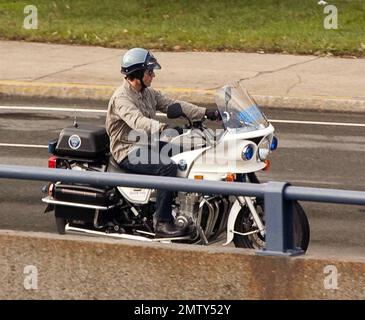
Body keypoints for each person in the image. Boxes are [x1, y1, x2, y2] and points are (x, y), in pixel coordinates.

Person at [105, 48, 220, 238]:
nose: (153, 75)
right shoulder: (121, 98)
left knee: (184, 151)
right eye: (150, 71)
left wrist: (206, 112)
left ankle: (181, 204)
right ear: (136, 75)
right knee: (166, 167)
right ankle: (162, 222)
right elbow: (138, 121)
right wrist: (163, 128)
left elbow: (173, 104)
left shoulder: (147, 93)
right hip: (127, 149)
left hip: (145, 144)